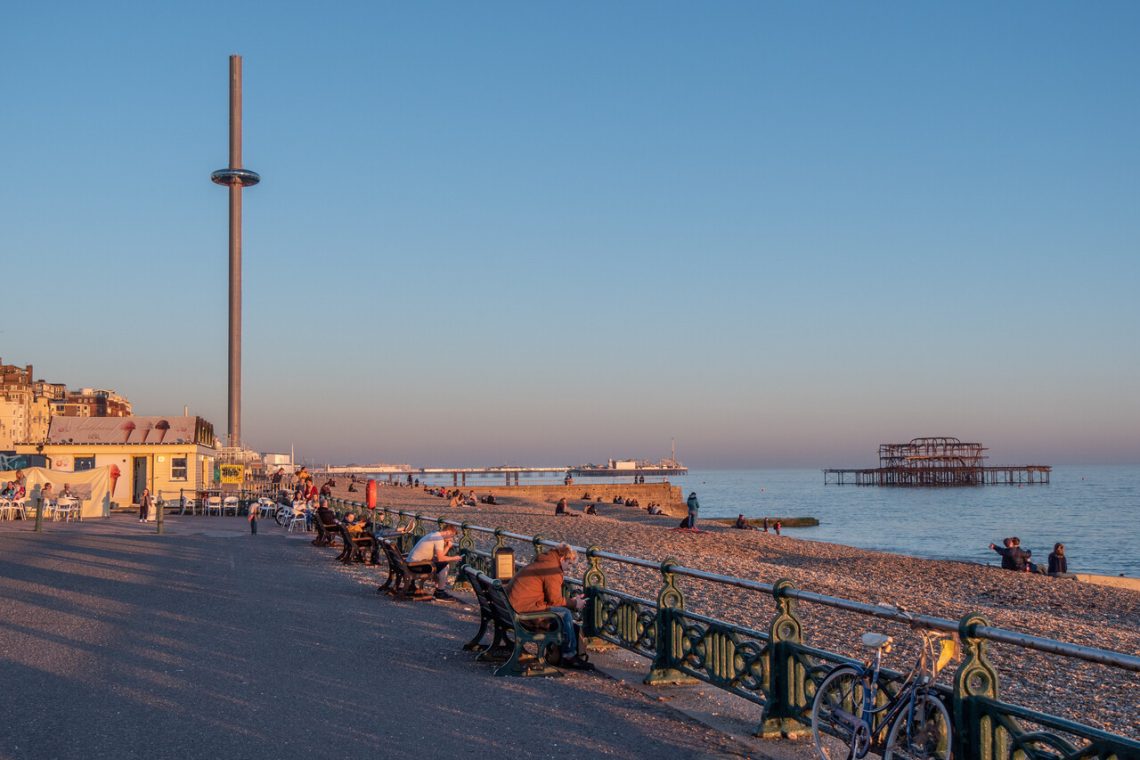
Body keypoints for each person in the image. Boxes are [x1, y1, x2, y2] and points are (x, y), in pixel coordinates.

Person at [506, 543, 592, 670]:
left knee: (562, 614)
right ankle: (570, 656)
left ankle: (561, 654)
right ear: (562, 559)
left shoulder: (542, 562)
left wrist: (570, 601)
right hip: (524, 614)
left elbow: (550, 599)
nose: (568, 569)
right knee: (565, 614)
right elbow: (555, 601)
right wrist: (575, 603)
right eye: (569, 564)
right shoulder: (552, 570)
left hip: (512, 609)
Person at [405, 525, 462, 601]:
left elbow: (439, 557)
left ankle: (438, 589)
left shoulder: (434, 534)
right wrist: (455, 558)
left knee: (441, 565)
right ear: (448, 532)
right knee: (445, 566)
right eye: (452, 536)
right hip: (416, 566)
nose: (451, 539)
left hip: (411, 563)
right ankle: (440, 592)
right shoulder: (438, 539)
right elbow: (441, 558)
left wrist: (447, 547)